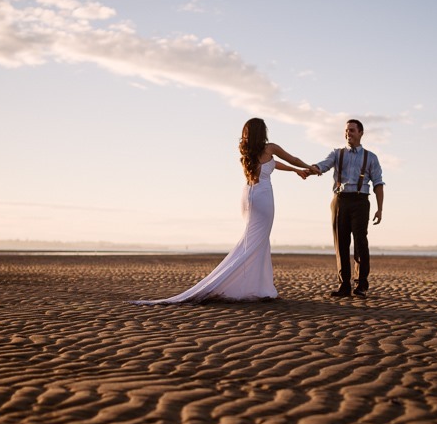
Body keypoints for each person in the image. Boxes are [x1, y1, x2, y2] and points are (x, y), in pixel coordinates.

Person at [132, 118, 316, 304]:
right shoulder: (270, 148)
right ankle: (250, 286)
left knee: (254, 242)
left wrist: (294, 171)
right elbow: (291, 158)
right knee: (257, 242)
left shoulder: (249, 153)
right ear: (263, 132)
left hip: (248, 197)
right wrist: (308, 167)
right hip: (263, 196)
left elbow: (273, 165)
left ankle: (258, 287)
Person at [309, 119, 384, 298]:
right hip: (340, 201)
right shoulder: (337, 154)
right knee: (341, 243)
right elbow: (323, 165)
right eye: (346, 131)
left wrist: (380, 209)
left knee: (360, 243)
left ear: (360, 133)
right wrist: (311, 169)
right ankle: (344, 285)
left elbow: (379, 183)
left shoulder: (371, 157)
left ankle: (361, 285)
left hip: (360, 201)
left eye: (351, 130)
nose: (348, 133)